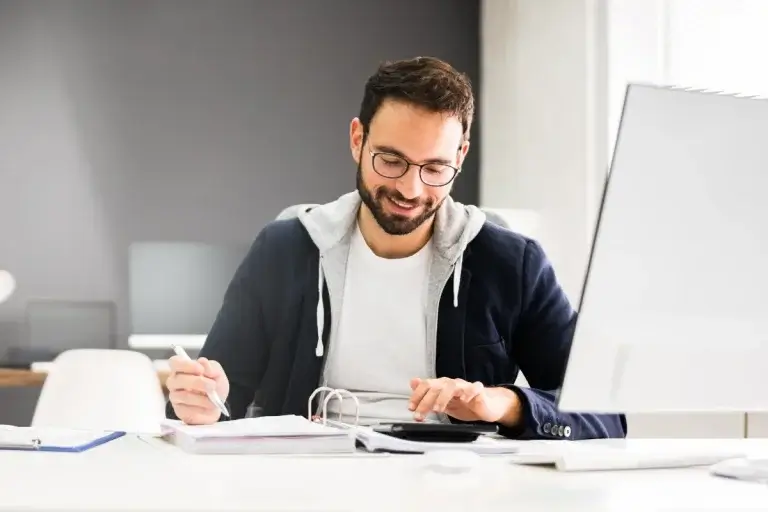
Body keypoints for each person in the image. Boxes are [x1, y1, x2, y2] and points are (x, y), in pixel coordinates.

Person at [166, 56, 627, 440]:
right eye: (391, 160)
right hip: (306, 480)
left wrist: (500, 403)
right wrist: (200, 405)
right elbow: (212, 403)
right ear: (357, 139)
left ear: (461, 156)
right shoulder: (284, 250)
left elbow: (606, 416)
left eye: (435, 167)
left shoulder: (513, 263)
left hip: (458, 485)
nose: (410, 188)